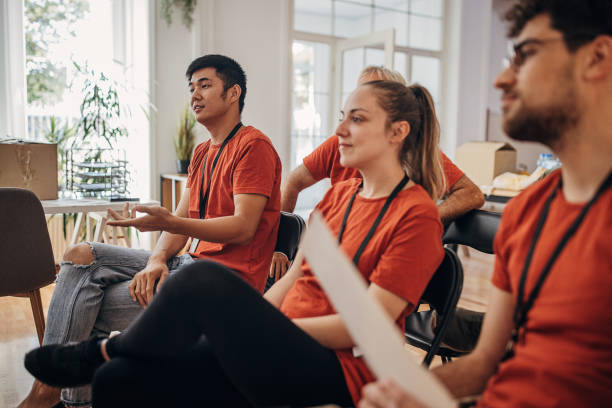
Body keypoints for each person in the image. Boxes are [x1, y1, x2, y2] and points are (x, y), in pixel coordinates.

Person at [25, 81, 445, 407]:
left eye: (356, 119)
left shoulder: (416, 215)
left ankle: (100, 350)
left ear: (398, 132)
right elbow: (295, 279)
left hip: (340, 368)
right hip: (279, 341)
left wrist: (263, 330)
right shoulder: (339, 196)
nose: (339, 130)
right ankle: (102, 360)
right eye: (341, 116)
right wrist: (252, 327)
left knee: (200, 279)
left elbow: (364, 331)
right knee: (117, 380)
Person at [360, 1, 612, 407]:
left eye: (525, 55)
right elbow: (484, 365)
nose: (500, 79)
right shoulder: (528, 211)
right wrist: (409, 392)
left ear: (597, 57)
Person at [18, 54, 282, 408]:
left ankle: (50, 394)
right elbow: (181, 220)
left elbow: (243, 227)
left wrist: (170, 223)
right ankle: (56, 393)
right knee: (81, 255)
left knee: (86, 306)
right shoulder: (203, 152)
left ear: (233, 93)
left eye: (205, 85)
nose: (195, 95)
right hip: (187, 265)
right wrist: (157, 258)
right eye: (191, 88)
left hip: (221, 284)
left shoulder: (254, 146)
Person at [269, 66, 484, 281]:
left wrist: (427, 218)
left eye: (360, 116)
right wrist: (281, 246)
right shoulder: (340, 196)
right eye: (347, 115)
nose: (341, 131)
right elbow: (301, 283)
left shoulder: (411, 206)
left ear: (397, 127)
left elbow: (360, 304)